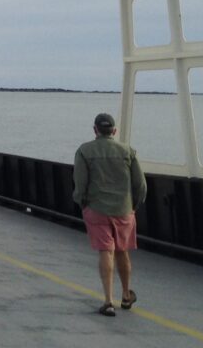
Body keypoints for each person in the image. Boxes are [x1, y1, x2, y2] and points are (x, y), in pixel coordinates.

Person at [72, 112, 147, 317]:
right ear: (114, 131)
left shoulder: (84, 151)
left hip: (96, 209)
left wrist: (82, 203)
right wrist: (133, 205)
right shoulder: (128, 152)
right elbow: (140, 185)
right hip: (124, 210)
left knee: (106, 251)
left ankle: (108, 301)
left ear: (95, 130)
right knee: (122, 251)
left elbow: (80, 184)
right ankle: (125, 294)